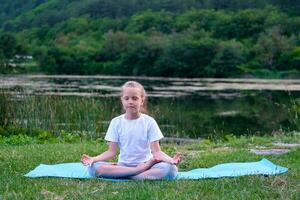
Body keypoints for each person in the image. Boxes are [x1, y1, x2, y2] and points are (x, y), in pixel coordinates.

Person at [81, 81, 181, 180]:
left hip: (147, 164)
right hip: (124, 166)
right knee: (93, 167)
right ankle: (137, 173)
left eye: (135, 98)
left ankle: (126, 175)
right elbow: (111, 152)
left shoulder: (149, 122)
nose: (130, 102)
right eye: (126, 98)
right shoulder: (116, 122)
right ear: (122, 100)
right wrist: (93, 159)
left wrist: (171, 160)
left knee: (170, 169)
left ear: (142, 100)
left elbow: (157, 152)